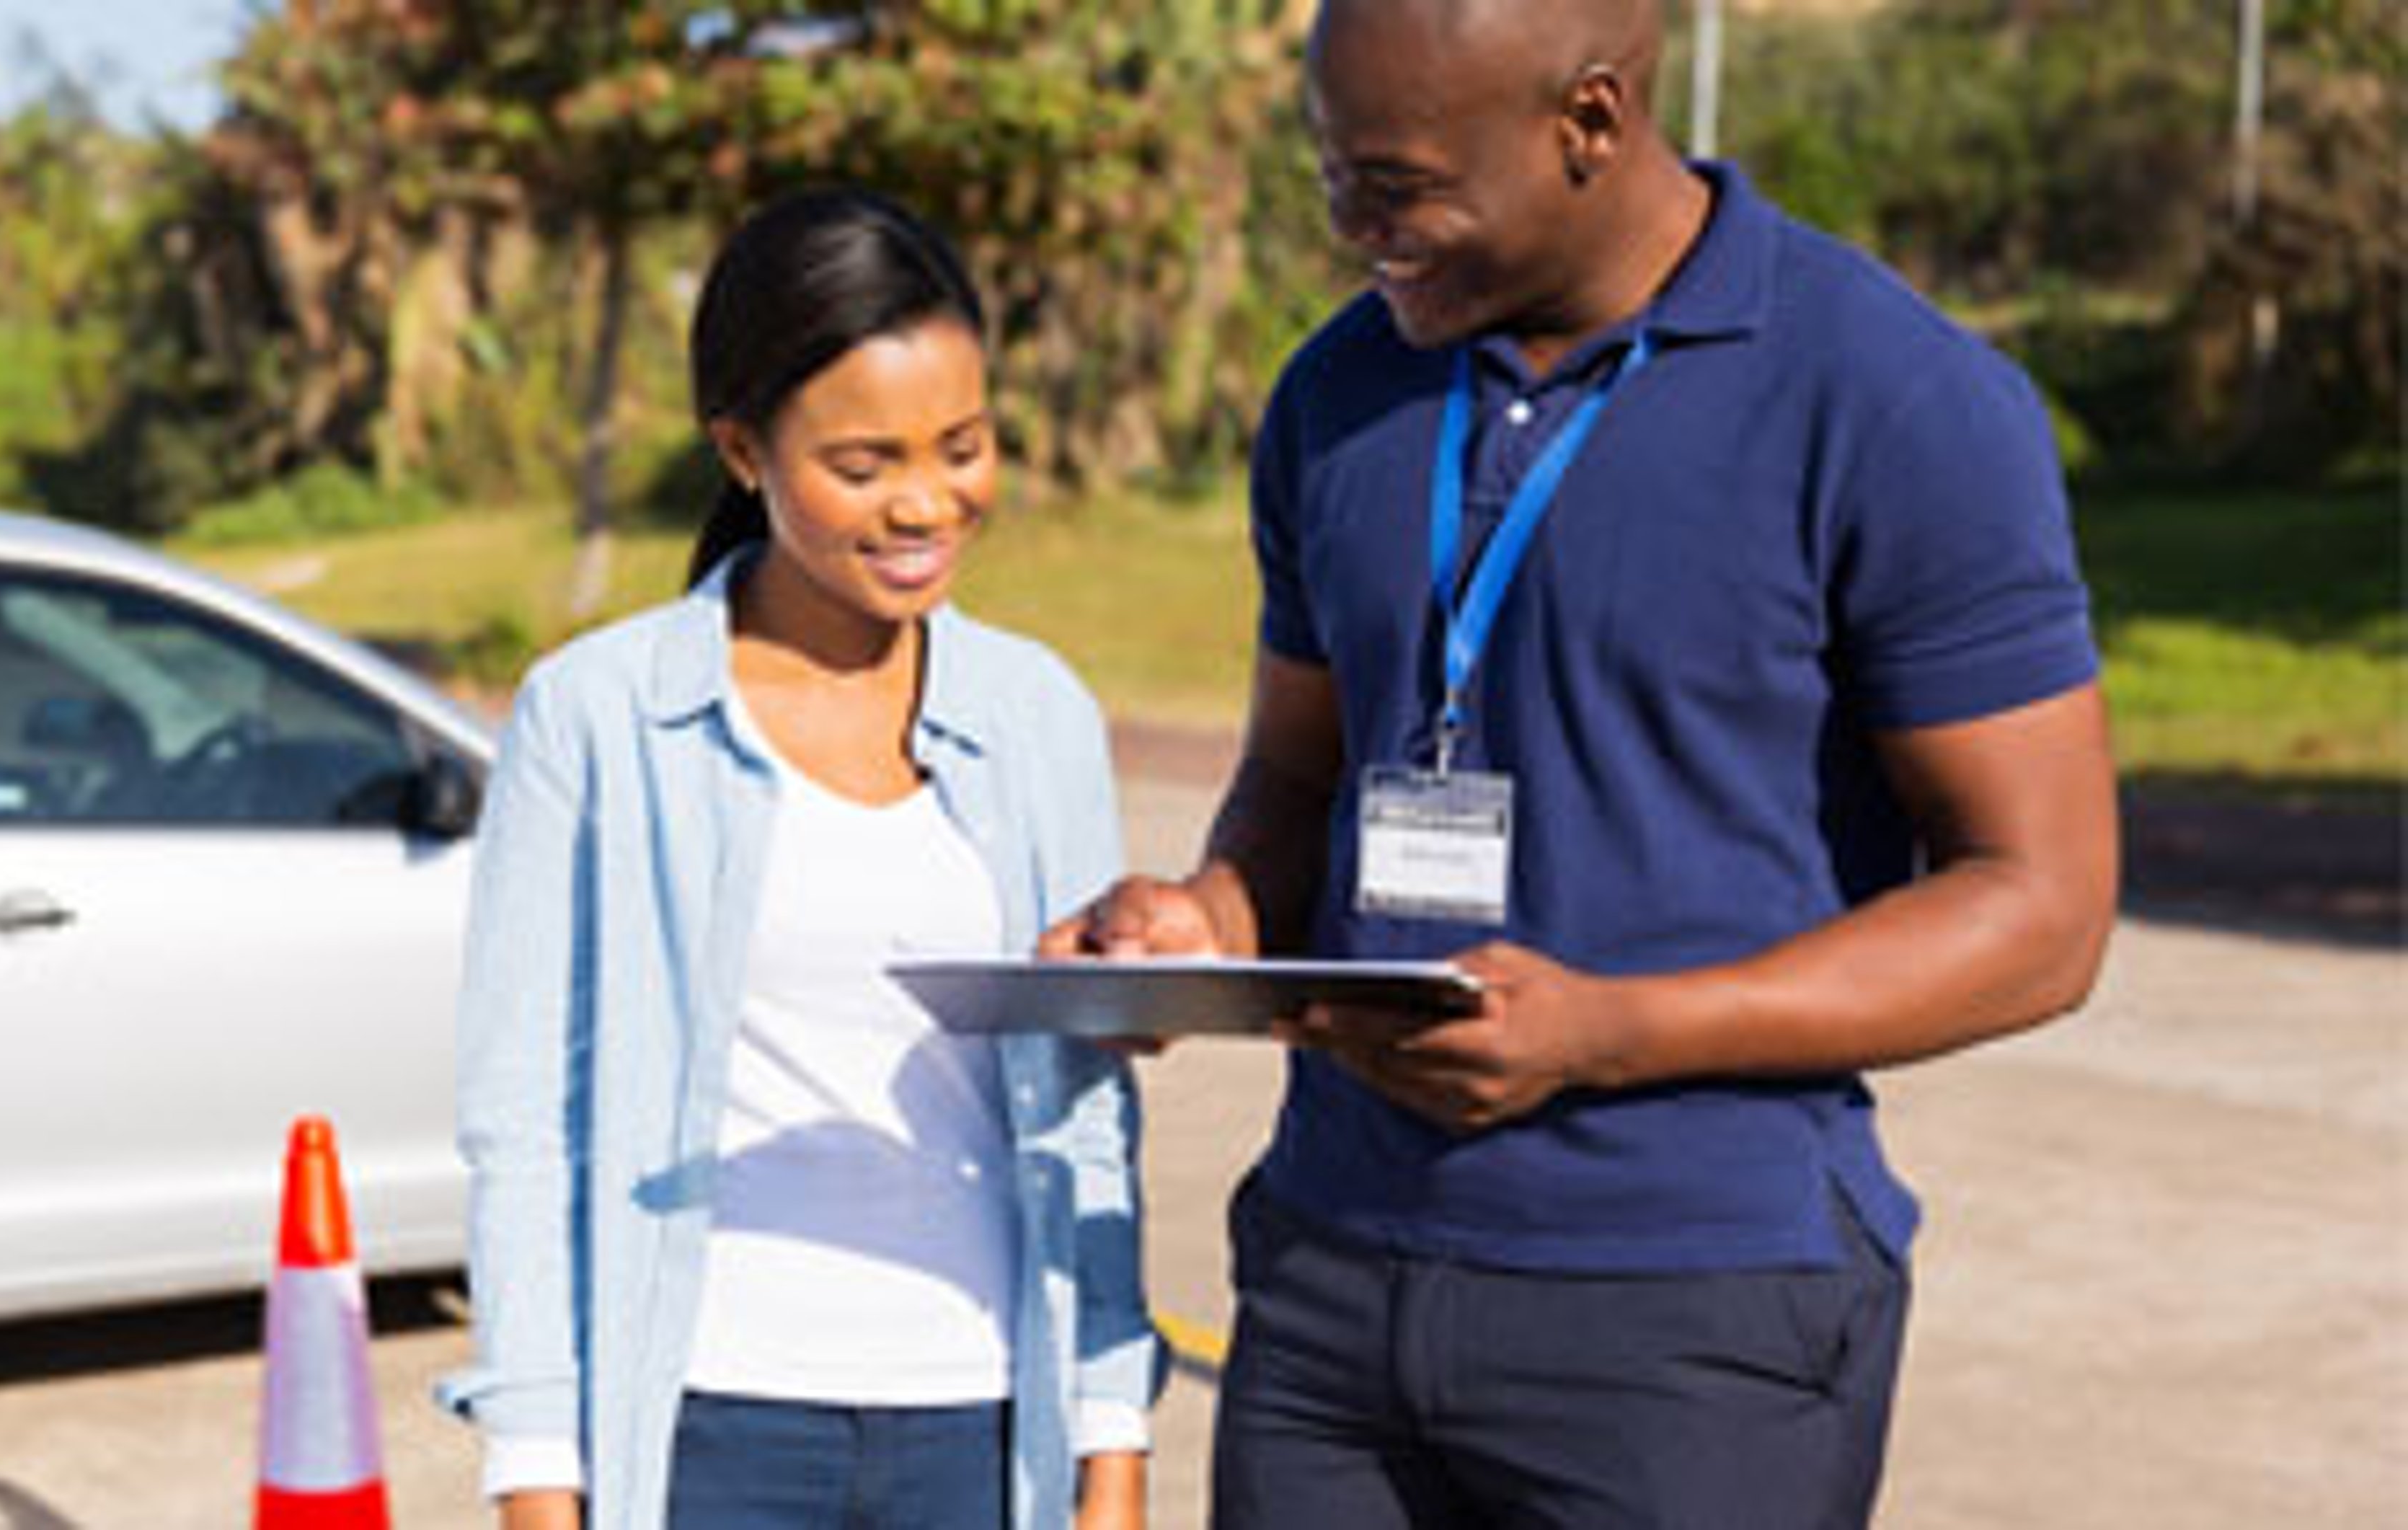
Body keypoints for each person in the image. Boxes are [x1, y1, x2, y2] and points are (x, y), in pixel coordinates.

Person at [1043, 0, 2119, 1524]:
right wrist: (1208, 921)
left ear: (1592, 118)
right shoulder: (1338, 392)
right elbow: (1296, 780)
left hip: (1690, 1320)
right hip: (1330, 1281)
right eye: (1332, 174)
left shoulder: (1895, 399)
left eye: (1400, 184)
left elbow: (2044, 908)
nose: (1359, 228)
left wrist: (1612, 1027)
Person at [443, 187, 1156, 1530]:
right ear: (742, 449)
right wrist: (535, 1470)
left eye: (963, 445)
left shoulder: (1038, 713)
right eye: (865, 462)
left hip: (985, 1425)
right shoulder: (596, 715)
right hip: (708, 1422)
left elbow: (1084, 1108)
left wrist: (1109, 1441)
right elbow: (524, 1123)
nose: (927, 503)